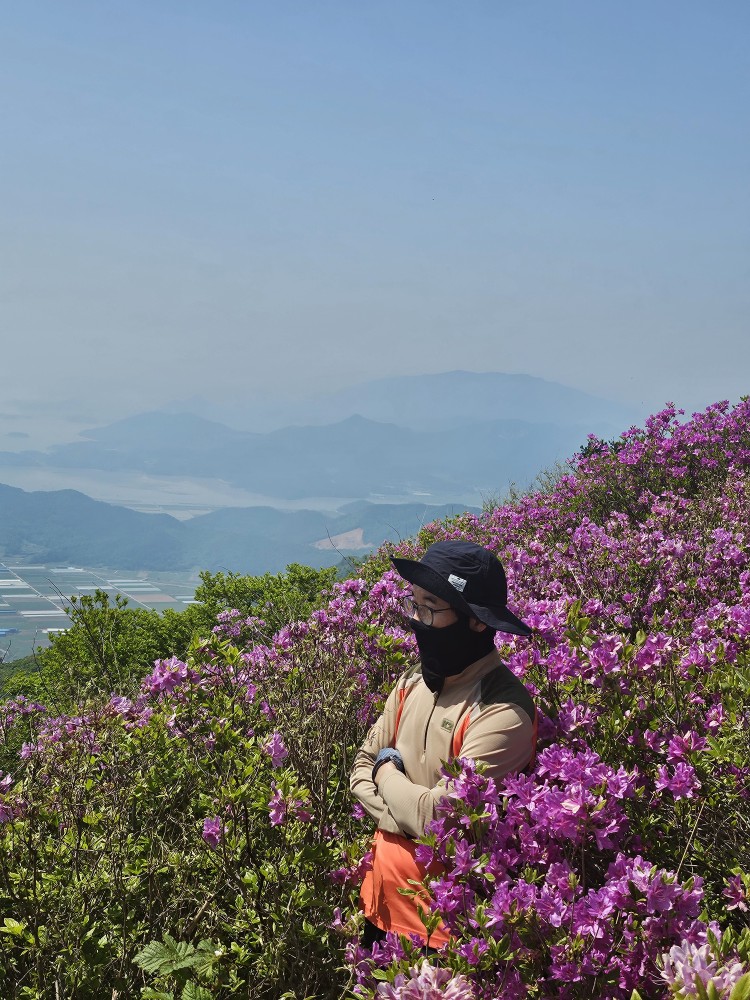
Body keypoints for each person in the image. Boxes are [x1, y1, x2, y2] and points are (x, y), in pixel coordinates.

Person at [350, 539, 536, 949]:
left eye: (430, 608)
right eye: (414, 604)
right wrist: (404, 814)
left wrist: (385, 769)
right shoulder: (411, 681)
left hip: (449, 936)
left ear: (477, 622)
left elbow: (435, 815)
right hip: (378, 909)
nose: (417, 620)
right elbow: (359, 767)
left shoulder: (504, 710)